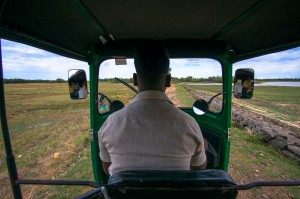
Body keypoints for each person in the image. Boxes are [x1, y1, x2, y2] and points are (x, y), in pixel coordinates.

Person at [98, 43, 207, 176]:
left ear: (135, 80)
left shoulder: (111, 123)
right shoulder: (189, 124)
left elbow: (107, 169)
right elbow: (199, 169)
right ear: (168, 80)